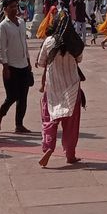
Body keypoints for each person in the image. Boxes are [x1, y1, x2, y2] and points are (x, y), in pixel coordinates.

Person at [36, 13, 84, 167]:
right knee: (71, 124)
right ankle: (70, 155)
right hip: (72, 87)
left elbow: (41, 62)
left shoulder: (49, 41)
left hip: (53, 88)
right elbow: (79, 59)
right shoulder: (76, 43)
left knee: (49, 120)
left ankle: (48, 148)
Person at [0, 0, 33, 133]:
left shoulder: (21, 22)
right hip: (11, 66)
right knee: (12, 96)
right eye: (11, 7)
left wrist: (28, 61)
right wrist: (5, 66)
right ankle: (0, 114)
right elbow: (1, 48)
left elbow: (24, 43)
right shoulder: (2, 26)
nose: (14, 9)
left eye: (15, 6)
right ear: (5, 9)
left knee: (23, 97)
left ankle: (19, 124)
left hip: (23, 64)